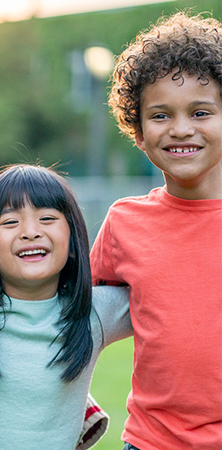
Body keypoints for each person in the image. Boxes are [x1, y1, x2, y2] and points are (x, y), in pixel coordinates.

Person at [92, 11, 222, 450]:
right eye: (161, 115)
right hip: (151, 442)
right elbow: (56, 301)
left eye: (201, 112)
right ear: (140, 133)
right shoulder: (124, 223)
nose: (181, 128)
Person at [0, 164, 132, 450]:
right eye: (10, 222)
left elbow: (166, 294)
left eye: (47, 218)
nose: (30, 232)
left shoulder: (94, 312)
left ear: (73, 243)